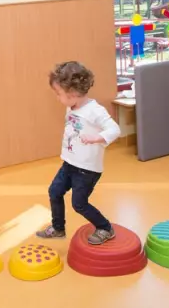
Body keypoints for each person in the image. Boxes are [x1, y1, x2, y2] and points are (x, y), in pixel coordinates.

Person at [36, 61, 121, 245]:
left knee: (79, 204)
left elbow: (115, 129)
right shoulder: (72, 106)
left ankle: (105, 227)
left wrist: (97, 138)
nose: (57, 98)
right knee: (54, 191)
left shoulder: (95, 110)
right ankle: (58, 228)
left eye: (58, 93)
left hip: (87, 169)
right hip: (69, 163)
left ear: (73, 93)